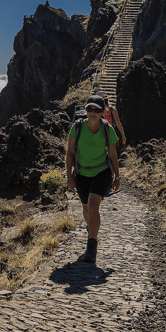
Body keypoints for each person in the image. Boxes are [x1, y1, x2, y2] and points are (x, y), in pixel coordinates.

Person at [66, 95, 120, 263]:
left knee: (93, 204)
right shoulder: (77, 128)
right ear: (86, 110)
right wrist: (69, 176)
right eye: (90, 109)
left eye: (97, 110)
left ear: (103, 112)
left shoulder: (107, 129)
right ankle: (92, 231)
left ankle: (92, 245)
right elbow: (69, 153)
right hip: (81, 174)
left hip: (101, 173)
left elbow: (112, 154)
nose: (93, 113)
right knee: (86, 210)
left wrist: (117, 176)